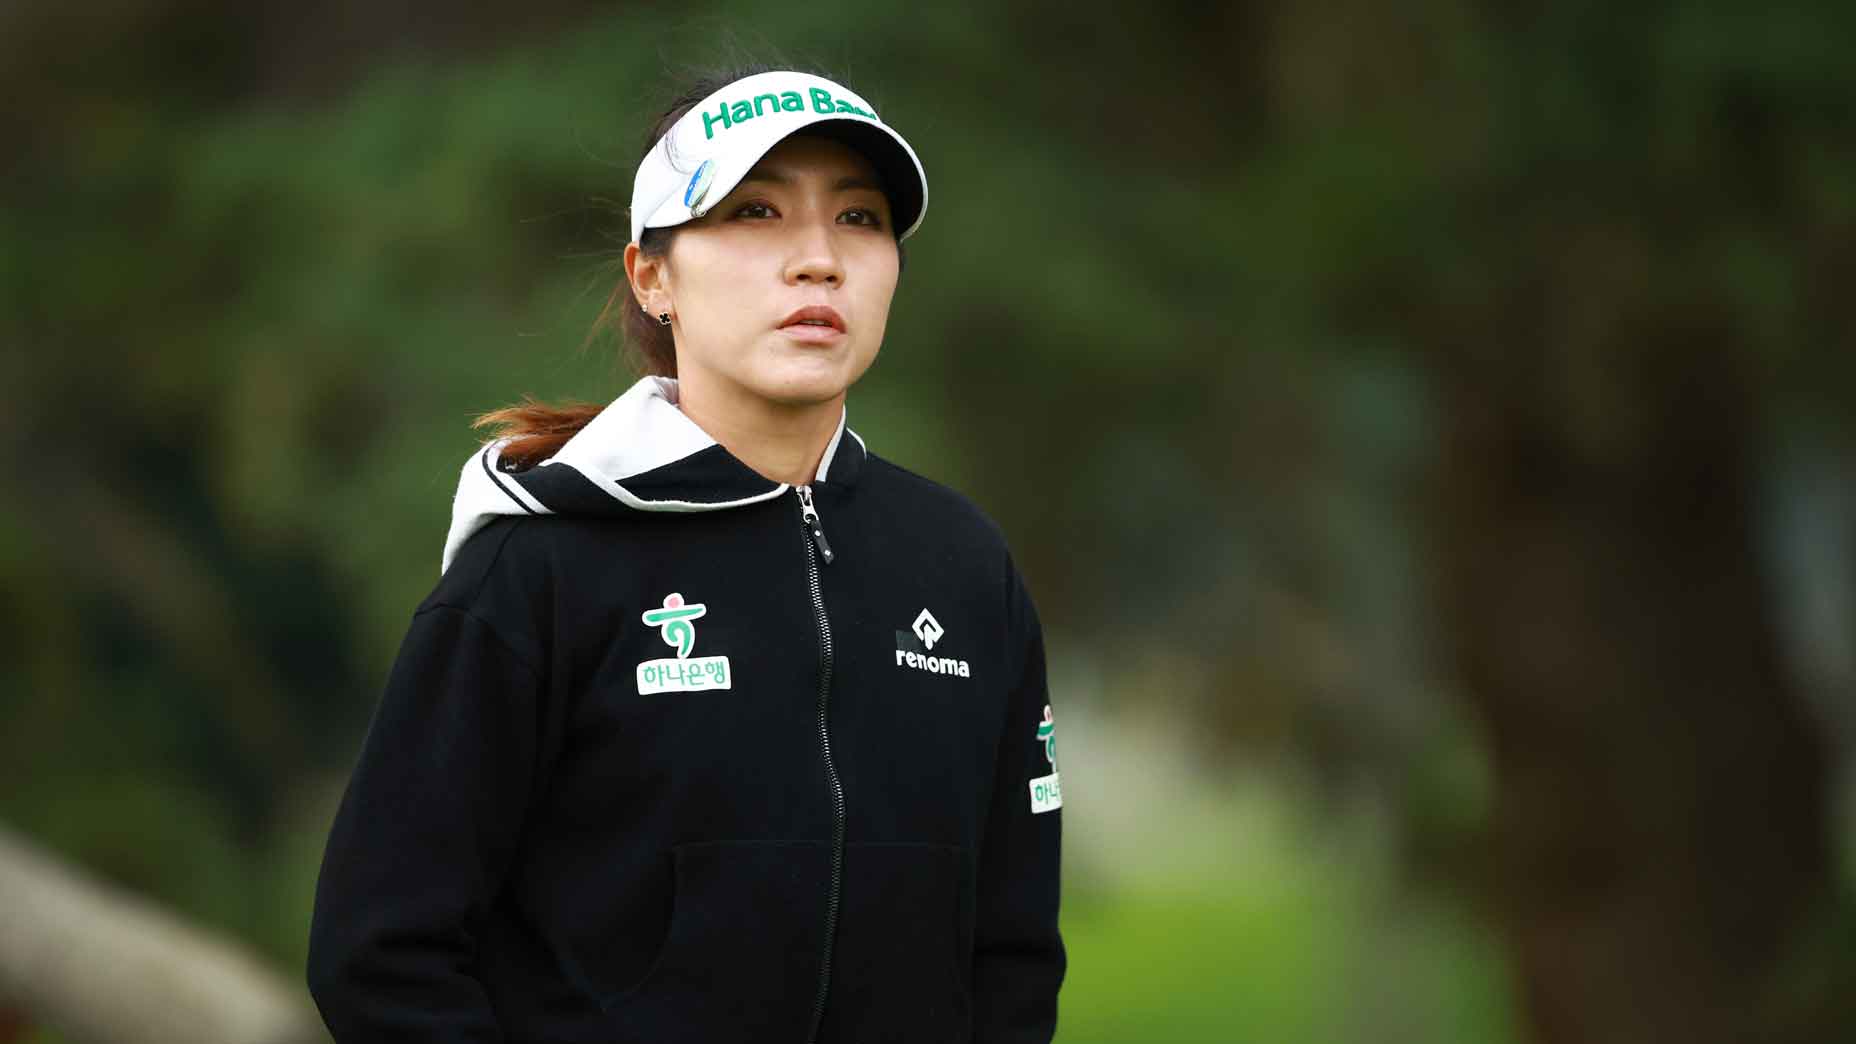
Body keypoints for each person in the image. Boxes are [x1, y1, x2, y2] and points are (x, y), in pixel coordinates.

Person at [306, 66, 1065, 1044]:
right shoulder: (538, 568)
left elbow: (1009, 955)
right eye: (754, 212)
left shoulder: (963, 568)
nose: (817, 261)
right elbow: (380, 952)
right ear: (650, 277)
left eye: (859, 219)